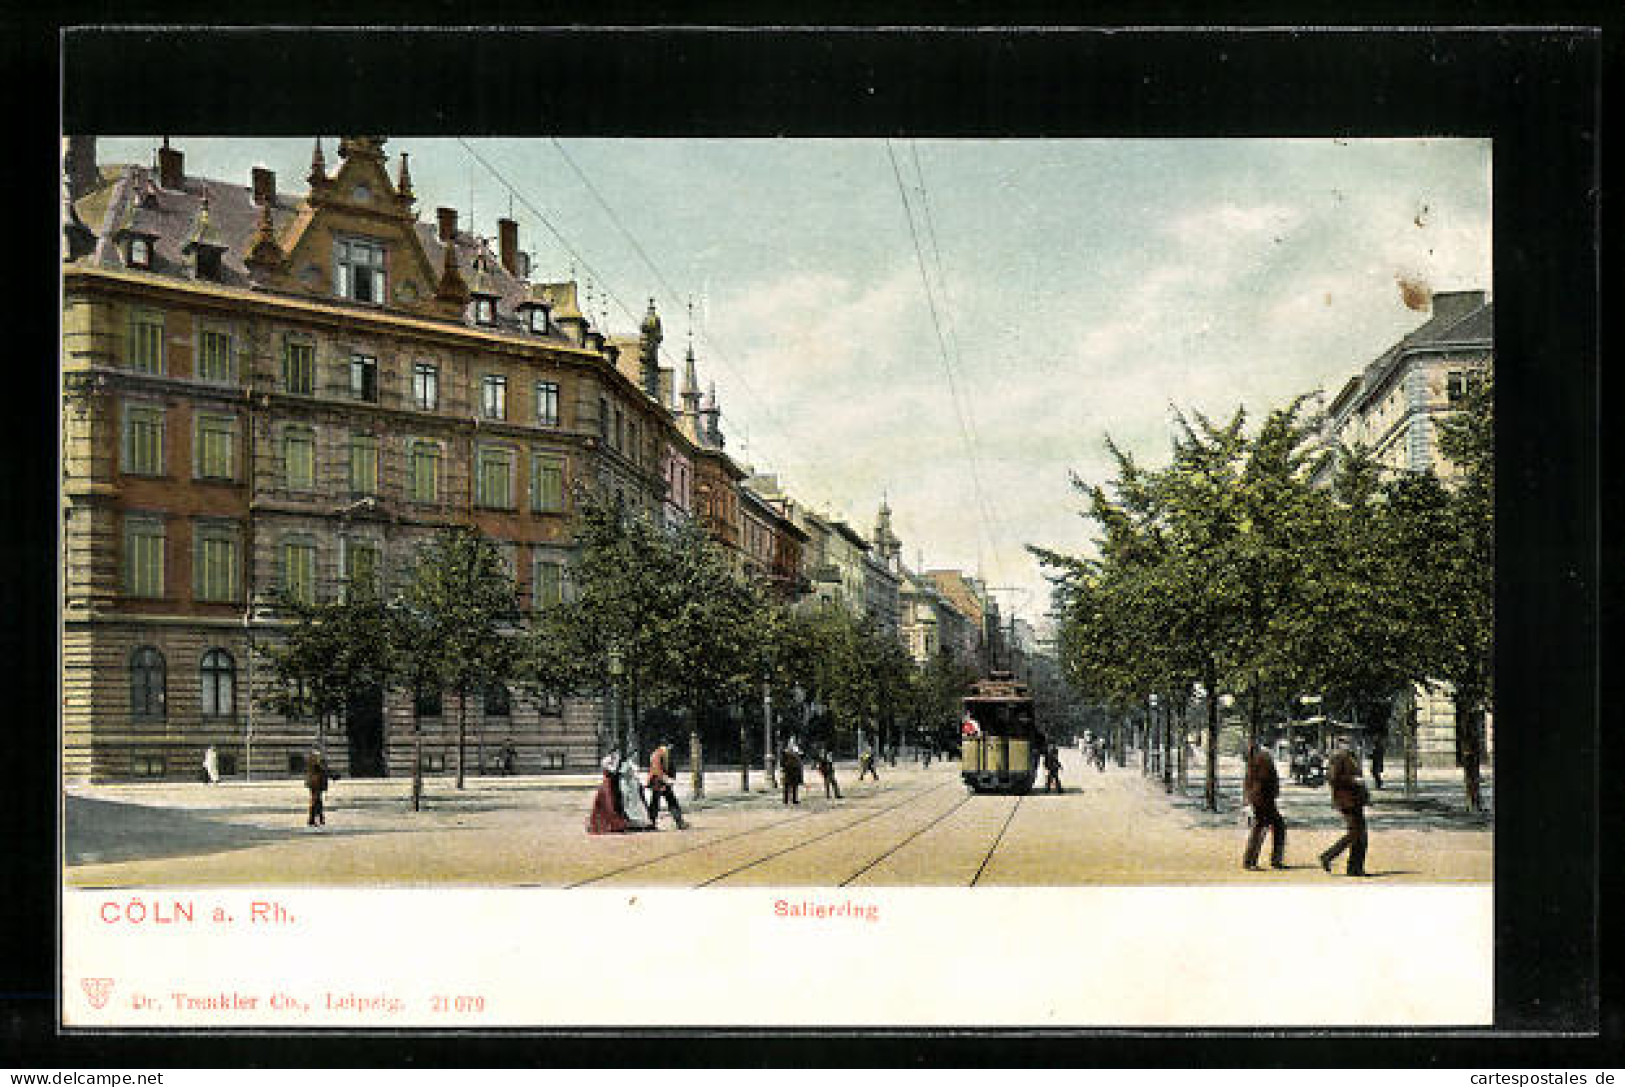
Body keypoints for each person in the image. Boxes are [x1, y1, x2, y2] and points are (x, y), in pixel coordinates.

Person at [1319, 739, 1369, 876]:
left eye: (1350, 740)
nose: (1349, 743)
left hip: (1355, 801)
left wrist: (1364, 795)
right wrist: (1353, 780)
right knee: (1355, 833)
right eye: (1345, 741)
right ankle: (1328, 856)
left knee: (1361, 835)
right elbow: (1332, 778)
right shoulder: (1338, 757)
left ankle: (1355, 868)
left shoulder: (1352, 757)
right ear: (1340, 743)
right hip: (1346, 801)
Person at [1242, 742, 1287, 870]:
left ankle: (1253, 860)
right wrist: (1272, 792)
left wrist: (1249, 798)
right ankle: (1253, 861)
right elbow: (1264, 779)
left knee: (1269, 827)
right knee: (1264, 828)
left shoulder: (1256, 758)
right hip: (1264, 800)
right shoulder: (1264, 758)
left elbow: (1250, 781)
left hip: (1260, 799)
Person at [646, 740, 686, 830]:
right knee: (656, 802)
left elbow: (671, 768)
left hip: (664, 781)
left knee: (670, 801)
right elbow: (656, 769)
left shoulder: (667, 753)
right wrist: (667, 779)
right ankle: (651, 823)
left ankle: (679, 822)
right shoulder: (657, 754)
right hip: (657, 781)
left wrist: (672, 779)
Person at [586, 752, 630, 834]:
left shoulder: (615, 760)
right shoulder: (606, 761)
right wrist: (618, 767)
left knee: (616, 803)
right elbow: (612, 771)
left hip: (614, 784)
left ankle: (617, 824)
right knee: (608, 804)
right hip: (608, 784)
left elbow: (616, 771)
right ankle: (612, 825)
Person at [618, 750, 654, 830]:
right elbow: (623, 775)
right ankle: (632, 823)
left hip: (635, 784)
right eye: (634, 754)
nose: (635, 756)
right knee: (631, 804)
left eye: (636, 754)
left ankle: (640, 823)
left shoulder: (633, 763)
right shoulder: (626, 763)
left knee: (637, 803)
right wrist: (631, 778)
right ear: (630, 755)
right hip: (629, 785)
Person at [304, 749, 328, 828]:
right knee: (316, 801)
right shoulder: (315, 765)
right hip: (316, 784)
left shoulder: (314, 765)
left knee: (317, 800)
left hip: (316, 784)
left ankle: (317, 818)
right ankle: (314, 819)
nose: (318, 758)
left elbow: (323, 772)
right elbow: (322, 771)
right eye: (317, 757)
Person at [781, 740, 804, 804]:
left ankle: (793, 799)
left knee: (794, 786)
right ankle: (786, 800)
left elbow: (801, 758)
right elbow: (783, 762)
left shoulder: (796, 753)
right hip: (789, 771)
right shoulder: (786, 753)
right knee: (787, 786)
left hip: (794, 771)